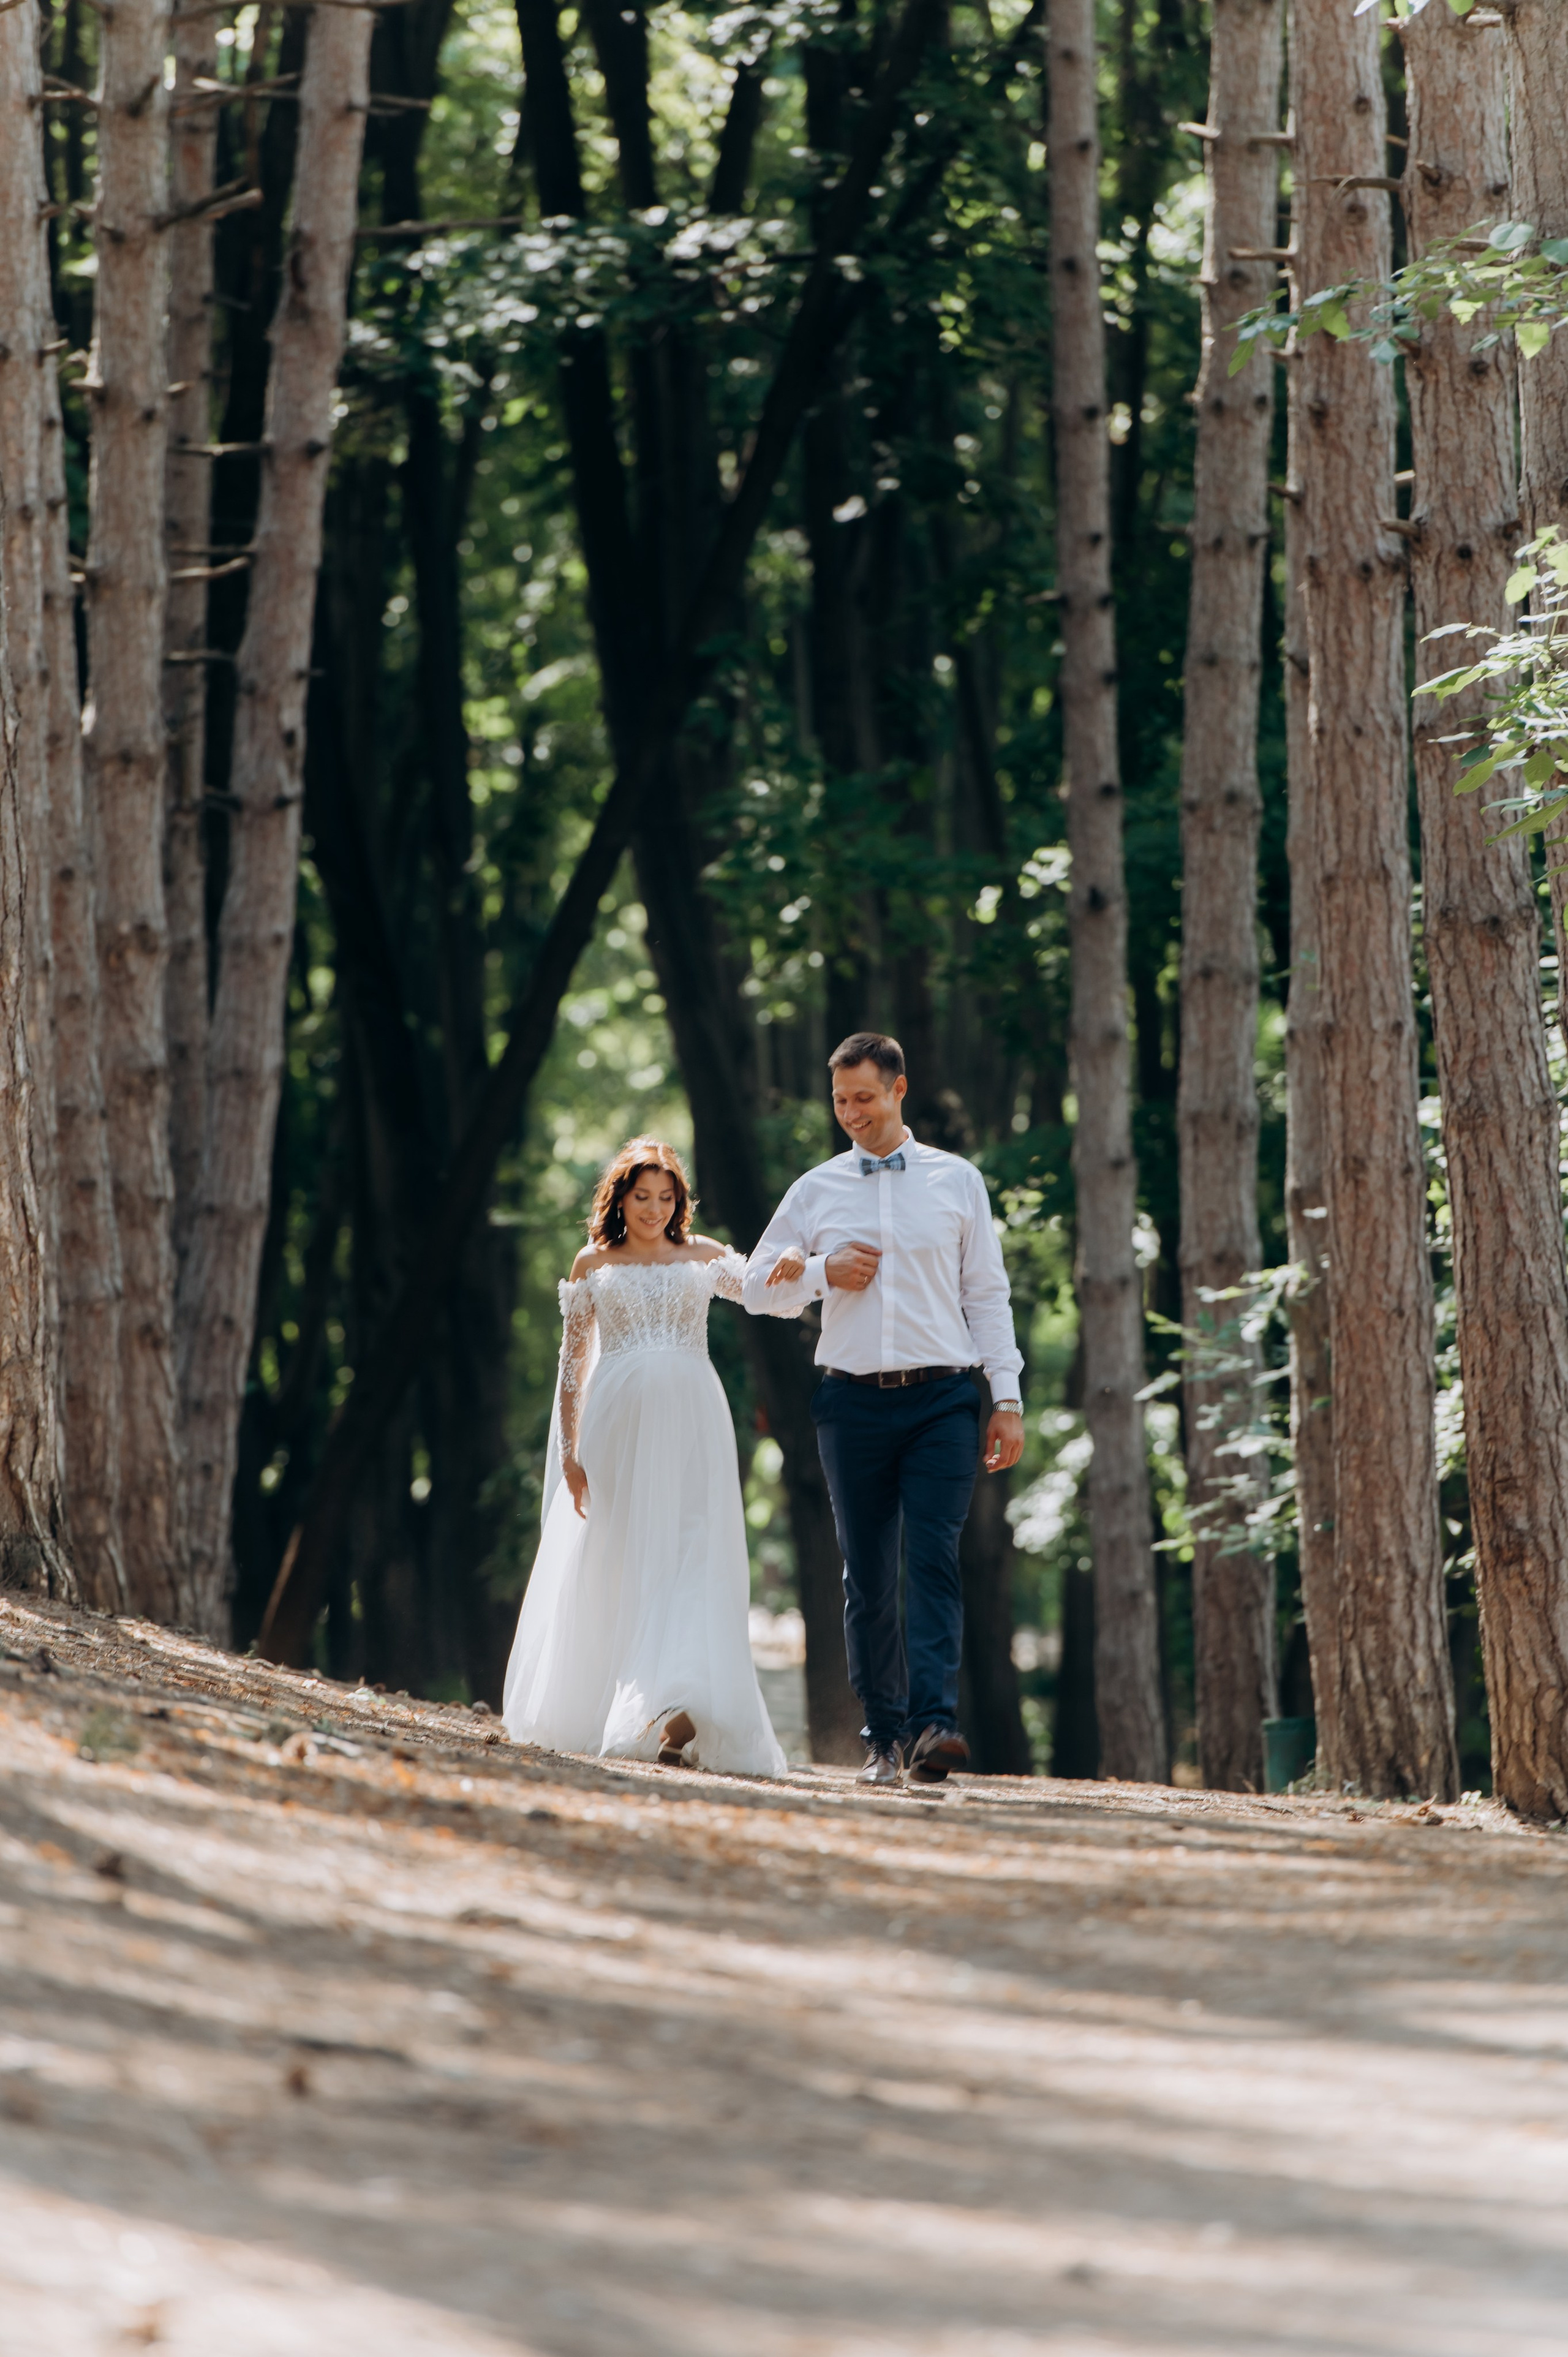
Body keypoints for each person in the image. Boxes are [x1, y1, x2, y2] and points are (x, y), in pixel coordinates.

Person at [743, 1034, 1024, 1786]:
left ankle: (935, 1727)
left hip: (943, 1398)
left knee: (931, 1556)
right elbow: (754, 1285)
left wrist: (1007, 1398)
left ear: (900, 1089)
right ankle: (884, 1736)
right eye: (839, 1101)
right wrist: (818, 1270)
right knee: (867, 1574)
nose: (851, 1114)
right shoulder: (815, 1189)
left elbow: (986, 1295)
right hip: (850, 1401)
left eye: (864, 1097)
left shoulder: (958, 1181)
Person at [502, 1137, 785, 1779]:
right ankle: (623, 1700)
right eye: (642, 1196)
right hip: (616, 1426)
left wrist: (801, 1266)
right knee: (621, 1554)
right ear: (620, 1197)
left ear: (679, 1201)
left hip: (693, 1419)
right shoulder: (591, 1263)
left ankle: (678, 1709)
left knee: (691, 1550)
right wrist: (571, 1454)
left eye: (666, 1197)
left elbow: (767, 1293)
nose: (655, 1208)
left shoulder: (704, 1256)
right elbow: (572, 1368)